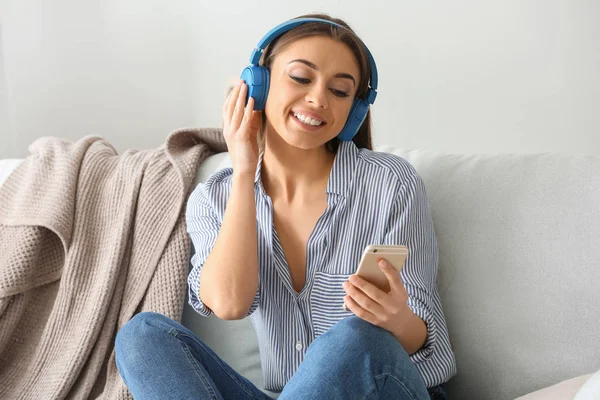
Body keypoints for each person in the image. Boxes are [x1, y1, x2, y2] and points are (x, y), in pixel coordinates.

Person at [115, 13, 457, 400]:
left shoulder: (391, 184)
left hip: (382, 386)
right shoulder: (215, 197)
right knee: (142, 337)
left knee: (353, 339)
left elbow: (421, 342)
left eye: (340, 91)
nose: (317, 98)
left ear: (354, 111)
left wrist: (397, 321)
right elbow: (228, 302)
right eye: (300, 78)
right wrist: (244, 169)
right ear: (256, 86)